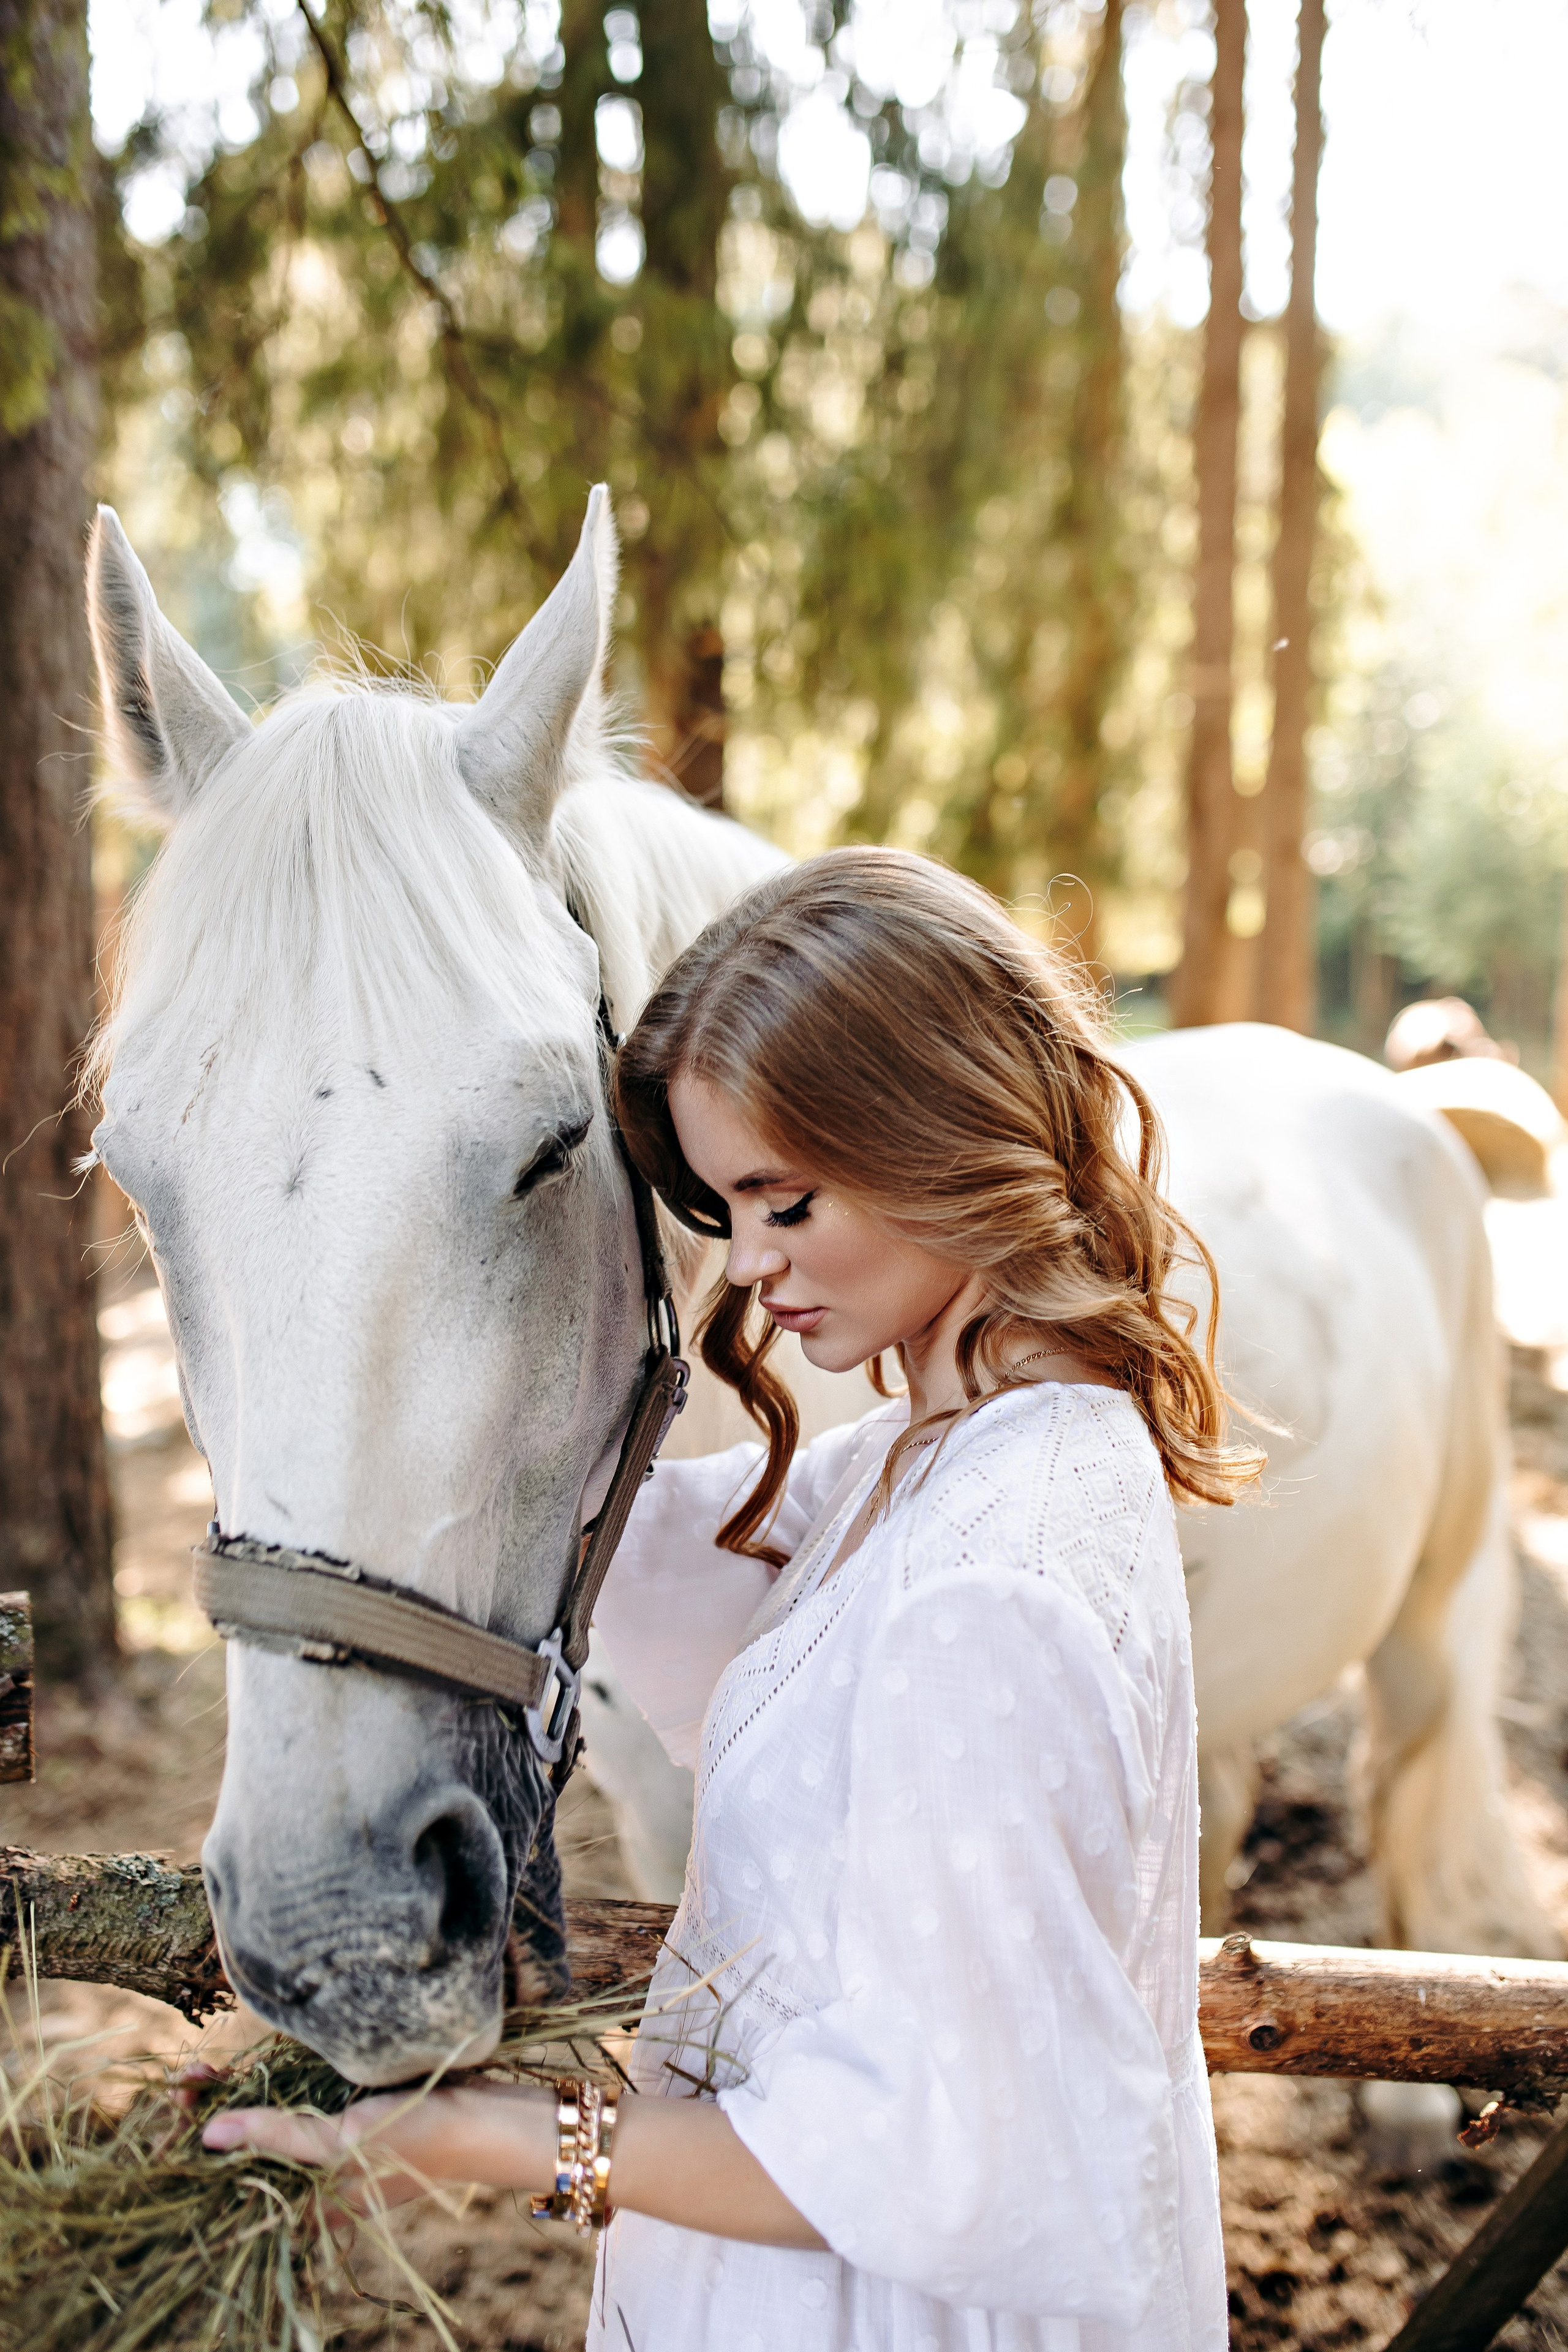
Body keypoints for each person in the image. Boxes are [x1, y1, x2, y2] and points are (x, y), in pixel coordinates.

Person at [206, 847, 1259, 2351]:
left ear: (940, 1133)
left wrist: (503, 2139)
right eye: (723, 1209)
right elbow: (631, 1563)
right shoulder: (936, 1461)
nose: (749, 1267)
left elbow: (953, 2154)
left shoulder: (987, 1588)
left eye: (785, 1202)